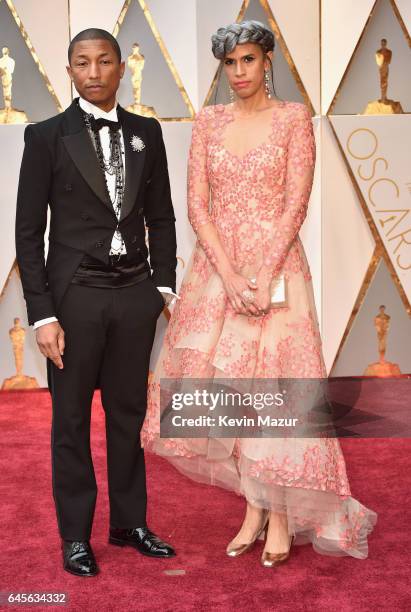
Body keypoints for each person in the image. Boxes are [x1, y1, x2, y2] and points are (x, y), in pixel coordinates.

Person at [142, 20, 377, 566]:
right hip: (218, 275)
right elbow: (197, 205)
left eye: (248, 60)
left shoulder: (295, 119)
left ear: (268, 60)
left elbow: (296, 202)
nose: (239, 72)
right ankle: (254, 504)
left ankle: (279, 514)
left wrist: (261, 274)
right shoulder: (208, 121)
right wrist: (227, 275)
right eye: (230, 63)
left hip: (277, 273)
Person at [15, 28, 177, 577]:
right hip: (75, 296)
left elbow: (162, 217)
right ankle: (76, 536)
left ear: (119, 68)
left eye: (104, 61)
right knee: (70, 420)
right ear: (69, 71)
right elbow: (27, 232)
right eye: (82, 62)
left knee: (129, 416)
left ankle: (130, 523)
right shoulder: (44, 137)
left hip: (134, 295)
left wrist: (162, 288)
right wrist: (43, 312)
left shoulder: (146, 132)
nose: (94, 72)